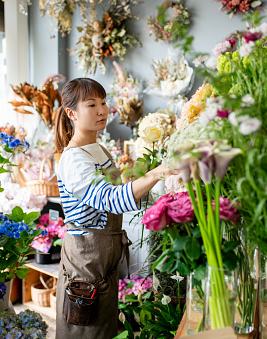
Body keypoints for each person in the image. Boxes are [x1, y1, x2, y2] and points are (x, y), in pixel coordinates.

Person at [54, 78, 177, 338]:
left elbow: (121, 192)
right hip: (85, 264)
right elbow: (109, 199)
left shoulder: (97, 149)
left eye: (103, 102)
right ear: (71, 113)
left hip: (102, 263)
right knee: (84, 332)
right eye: (91, 105)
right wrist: (155, 174)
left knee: (104, 329)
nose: (101, 110)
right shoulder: (74, 158)